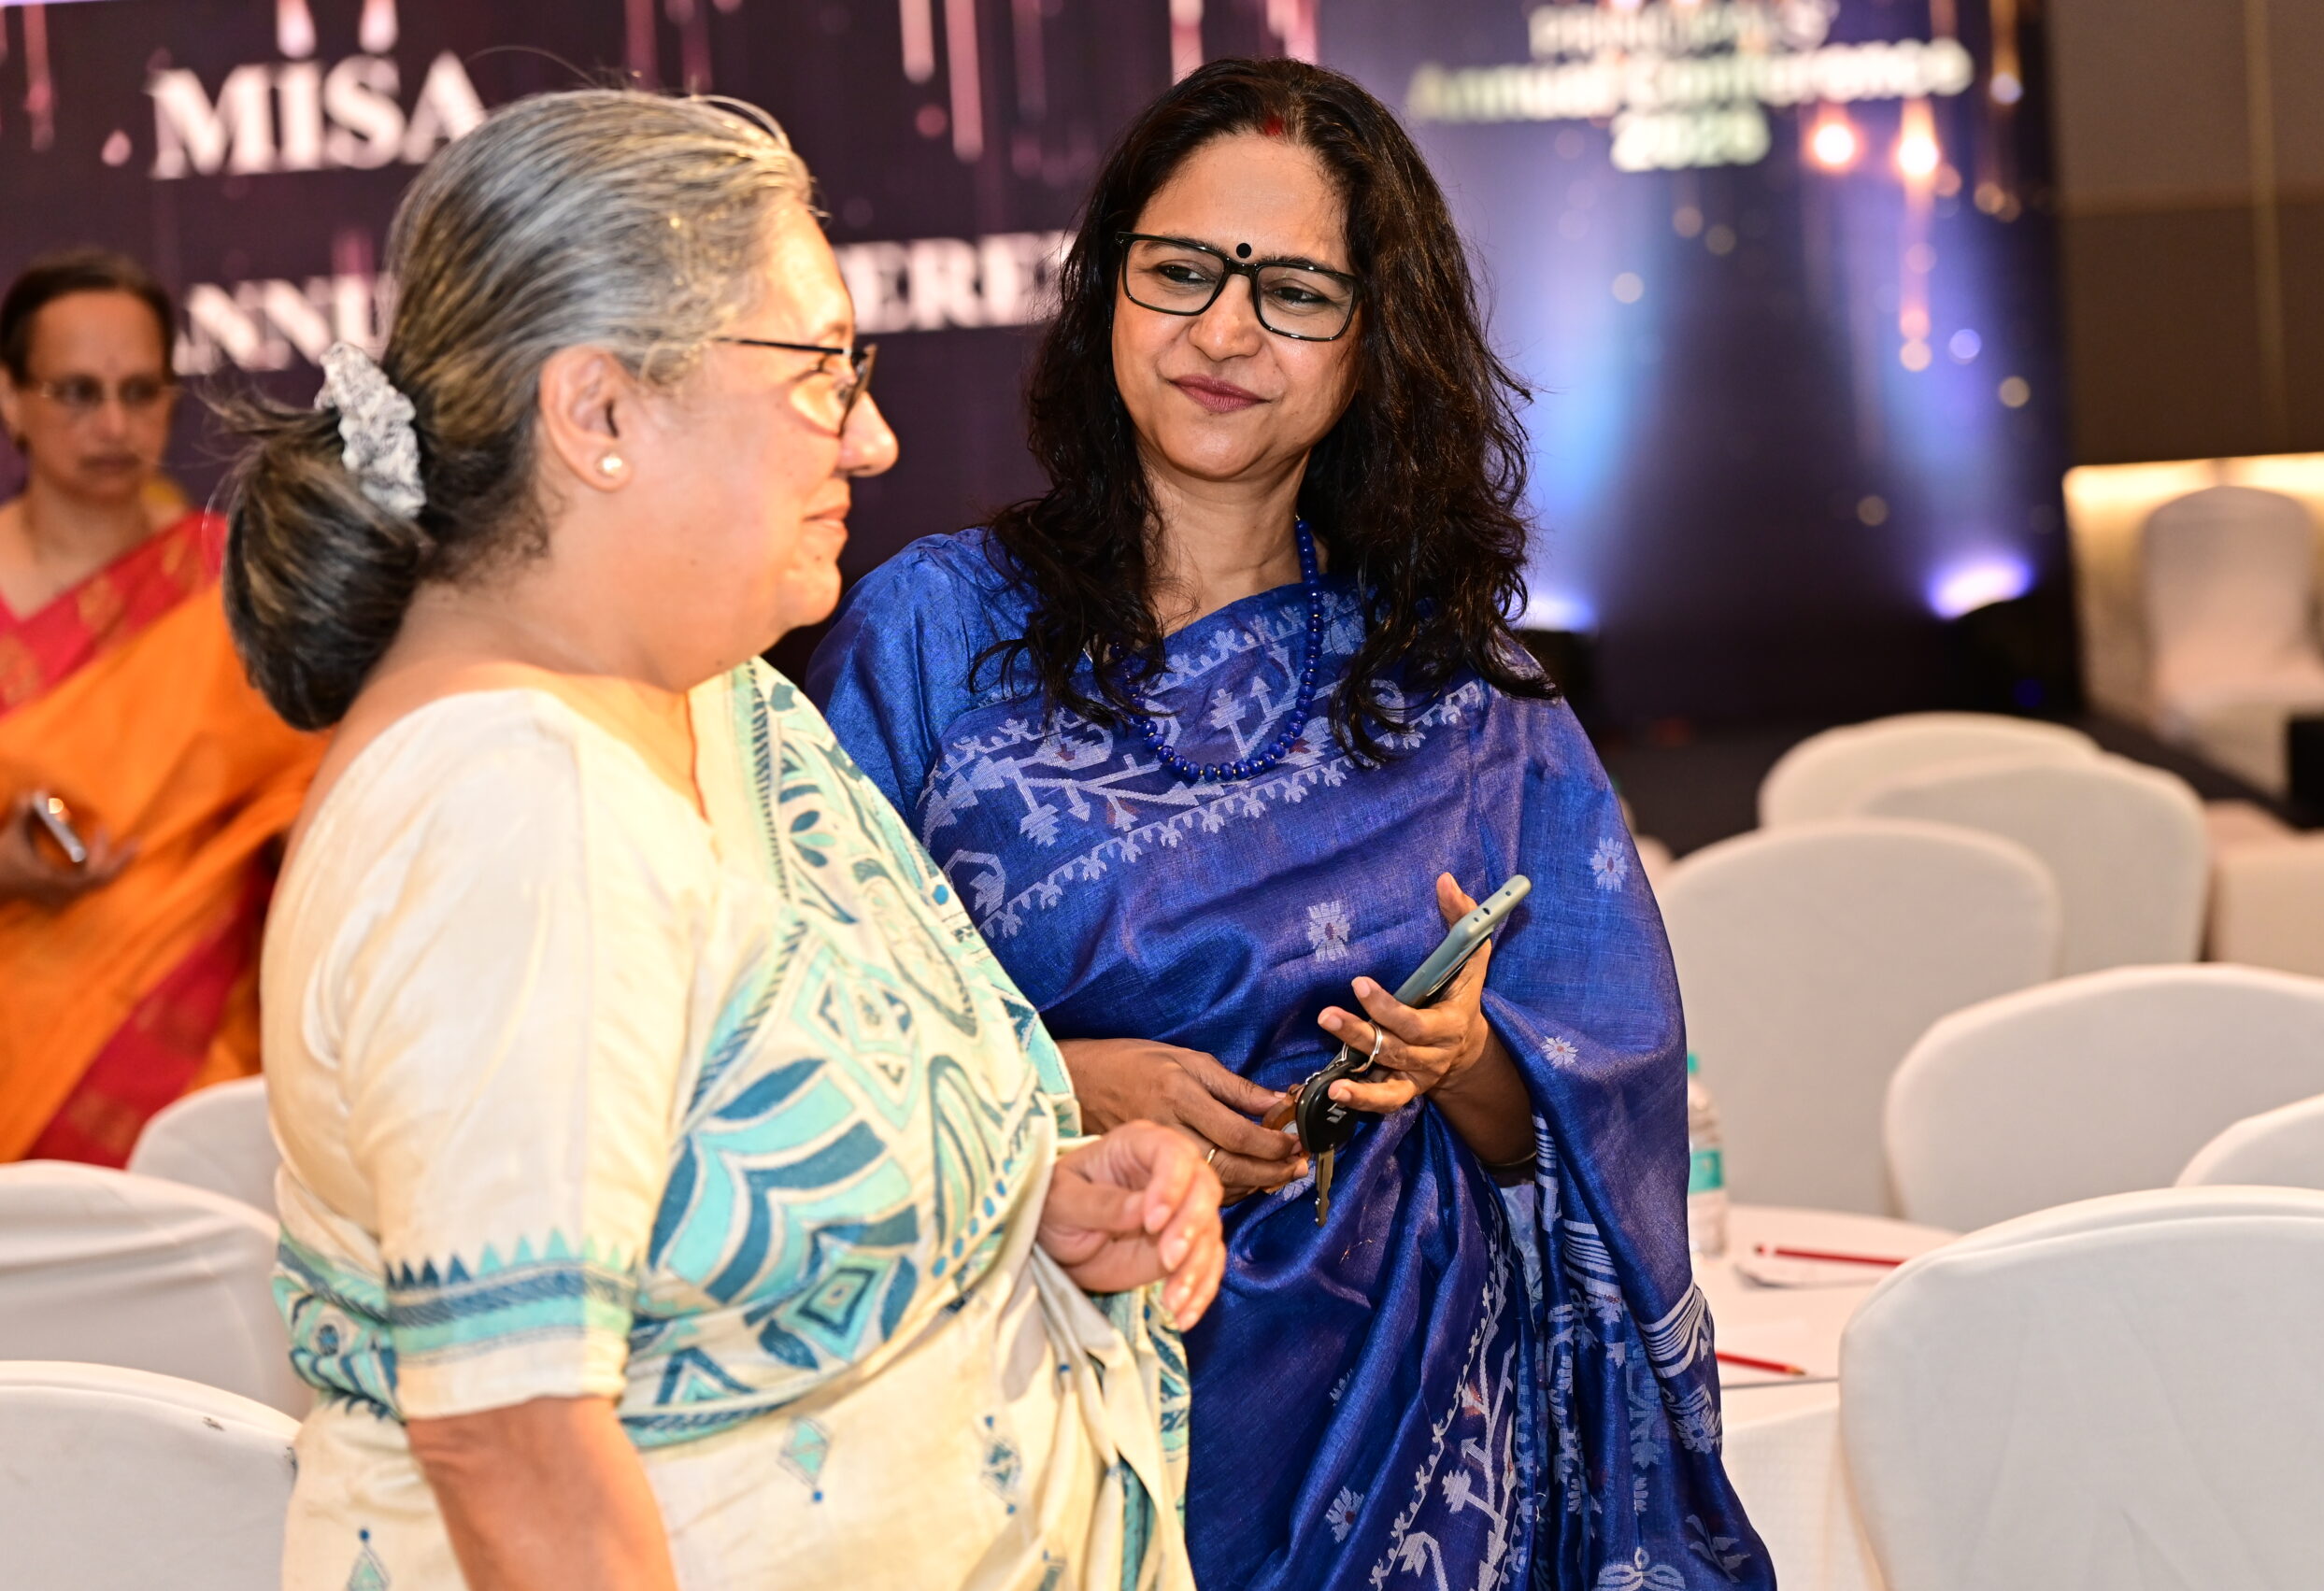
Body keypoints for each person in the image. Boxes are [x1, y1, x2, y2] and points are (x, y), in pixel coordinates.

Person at [225, 90, 1222, 1591]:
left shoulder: (714, 698)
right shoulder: (511, 799)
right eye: (821, 371)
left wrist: (1022, 1202)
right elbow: (518, 1454)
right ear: (600, 413)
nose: (873, 437)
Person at [811, 58, 1766, 1590]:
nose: (1224, 331)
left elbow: (1593, 1109)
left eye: (1296, 293)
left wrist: (1464, 1059)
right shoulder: (930, 638)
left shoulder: (1458, 685)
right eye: (1182, 270)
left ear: (1375, 339)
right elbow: (803, 1034)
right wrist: (1057, 1082)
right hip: (1038, 1413)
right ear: (1106, 289)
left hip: (1421, 1441)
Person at [0, 249, 323, 1165]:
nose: (113, 424)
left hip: (198, 1046)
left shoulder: (237, 580)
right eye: (76, 392)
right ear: (11, 398)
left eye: (140, 392)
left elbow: (313, 788)